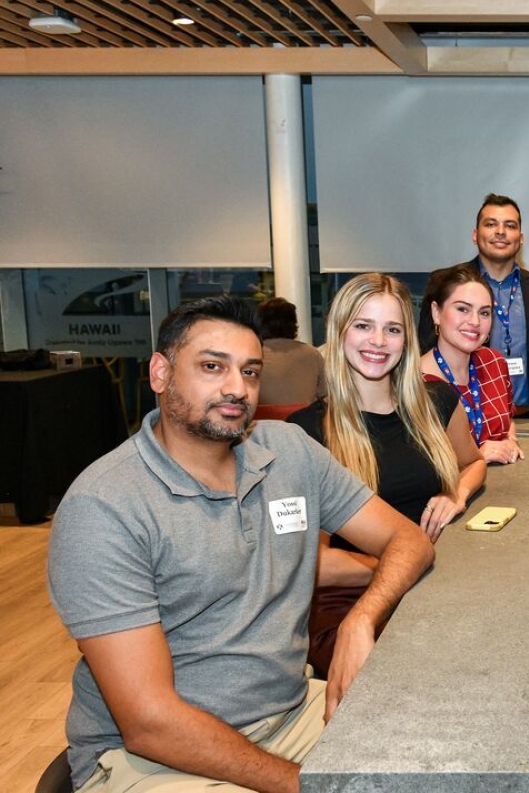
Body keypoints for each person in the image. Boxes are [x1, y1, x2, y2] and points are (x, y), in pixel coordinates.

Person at [47, 296, 435, 793]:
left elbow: (408, 540)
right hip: (153, 759)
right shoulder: (105, 506)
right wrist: (307, 785)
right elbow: (149, 724)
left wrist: (361, 620)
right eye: (213, 367)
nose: (236, 388)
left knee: (442, 752)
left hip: (291, 713)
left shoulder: (287, 451)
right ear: (160, 373)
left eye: (250, 372)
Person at [289, 273, 486, 678]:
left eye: (392, 329)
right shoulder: (306, 432)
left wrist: (457, 494)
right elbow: (311, 564)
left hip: (431, 587)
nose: (378, 341)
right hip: (350, 602)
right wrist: (403, 564)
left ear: (407, 339)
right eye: (364, 325)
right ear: (339, 331)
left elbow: (474, 462)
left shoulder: (437, 402)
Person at [417, 194, 529, 412]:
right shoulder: (446, 283)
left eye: (510, 225)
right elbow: (425, 348)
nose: (500, 232)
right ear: (475, 234)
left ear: (521, 237)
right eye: (491, 224)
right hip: (464, 417)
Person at [421, 265, 523, 464]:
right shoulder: (415, 383)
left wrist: (511, 439)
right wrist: (477, 456)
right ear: (436, 313)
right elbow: (419, 465)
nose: (475, 321)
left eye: (484, 313)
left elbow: (507, 419)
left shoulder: (494, 362)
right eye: (463, 309)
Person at [257, 296, 327, 405]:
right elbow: (325, 395)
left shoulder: (253, 354)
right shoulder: (312, 354)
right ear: (293, 323)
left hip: (260, 421)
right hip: (303, 421)